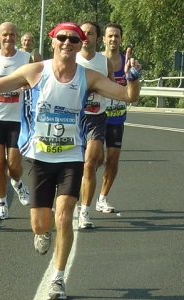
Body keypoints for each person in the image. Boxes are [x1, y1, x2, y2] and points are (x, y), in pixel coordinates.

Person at [0, 21, 141, 299]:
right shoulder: (35, 71)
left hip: (72, 157)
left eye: (74, 39)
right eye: (62, 38)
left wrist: (134, 77)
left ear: (80, 46)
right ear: (53, 42)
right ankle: (42, 232)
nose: (68, 43)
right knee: (41, 224)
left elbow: (128, 96)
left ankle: (58, 279)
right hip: (40, 159)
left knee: (64, 216)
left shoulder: (87, 77)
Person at [0, 22, 32, 220]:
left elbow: (35, 81)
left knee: (14, 167)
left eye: (12, 35)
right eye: (4, 35)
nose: (8, 38)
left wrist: (29, 89)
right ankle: (2, 204)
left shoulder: (26, 58)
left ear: (17, 37)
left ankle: (18, 184)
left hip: (17, 119)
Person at [75, 21, 115, 229]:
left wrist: (102, 89)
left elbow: (112, 86)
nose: (86, 36)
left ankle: (84, 212)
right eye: (83, 33)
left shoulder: (104, 61)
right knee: (73, 165)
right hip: (72, 118)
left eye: (90, 34)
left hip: (96, 117)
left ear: (97, 39)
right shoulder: (72, 59)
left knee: (90, 164)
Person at [97, 22, 130, 214]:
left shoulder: (126, 62)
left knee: (113, 158)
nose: (113, 39)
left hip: (117, 118)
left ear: (120, 39)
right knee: (95, 158)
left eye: (116, 36)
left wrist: (133, 76)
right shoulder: (97, 62)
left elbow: (132, 88)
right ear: (103, 39)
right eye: (110, 36)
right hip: (96, 117)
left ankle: (102, 198)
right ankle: (80, 195)